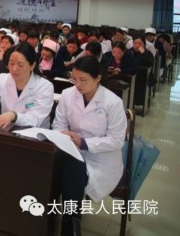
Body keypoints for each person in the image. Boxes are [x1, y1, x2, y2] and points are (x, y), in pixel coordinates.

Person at [52, 57, 127, 235]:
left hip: (102, 159)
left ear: (98, 78)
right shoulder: (67, 95)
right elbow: (58, 124)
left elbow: (117, 140)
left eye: (83, 80)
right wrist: (65, 135)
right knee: (68, 165)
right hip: (72, 150)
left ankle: (69, 225)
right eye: (74, 79)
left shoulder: (112, 102)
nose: (78, 85)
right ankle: (69, 224)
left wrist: (83, 142)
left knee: (72, 168)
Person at [0, 43, 55, 130]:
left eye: (20, 65)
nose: (14, 69)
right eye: (11, 63)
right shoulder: (1, 80)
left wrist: (14, 116)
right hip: (5, 131)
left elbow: (35, 118)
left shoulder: (45, 87)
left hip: (33, 134)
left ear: (32, 66)